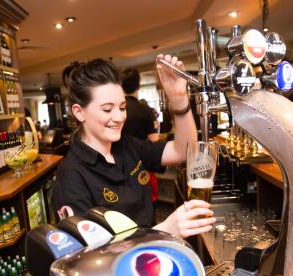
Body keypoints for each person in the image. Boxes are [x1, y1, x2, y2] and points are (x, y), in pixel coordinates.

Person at [52, 55, 215, 238]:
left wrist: (179, 99)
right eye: (107, 109)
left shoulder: (126, 145)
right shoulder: (71, 176)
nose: (120, 117)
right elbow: (88, 257)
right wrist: (163, 231)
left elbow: (183, 150)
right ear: (79, 112)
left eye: (122, 107)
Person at [121, 68, 159, 142]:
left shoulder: (117, 109)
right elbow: (154, 139)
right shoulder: (146, 109)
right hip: (141, 152)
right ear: (138, 86)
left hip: (117, 152)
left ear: (122, 86)